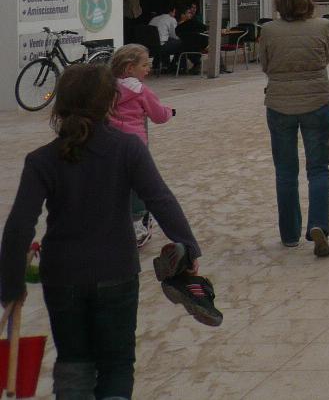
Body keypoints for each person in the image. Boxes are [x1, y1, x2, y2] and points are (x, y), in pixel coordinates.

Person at [1, 64, 212, 400]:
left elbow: (17, 228)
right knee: (116, 363)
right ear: (111, 102)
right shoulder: (128, 148)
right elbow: (161, 200)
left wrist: (10, 285)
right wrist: (188, 247)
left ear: (60, 104)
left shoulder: (42, 160)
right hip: (117, 271)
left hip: (63, 276)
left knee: (73, 363)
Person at [258, 0, 329, 257]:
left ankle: (289, 233)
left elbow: (265, 64)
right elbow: (326, 58)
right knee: (318, 168)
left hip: (279, 104)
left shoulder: (268, 30)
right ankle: (319, 224)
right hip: (316, 101)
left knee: (286, 171)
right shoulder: (323, 26)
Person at [108, 44, 175, 246]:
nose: (149, 68)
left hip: (110, 142)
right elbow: (158, 115)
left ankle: (115, 220)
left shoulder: (107, 87)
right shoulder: (141, 91)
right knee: (138, 183)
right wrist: (169, 111)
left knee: (116, 181)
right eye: (145, 65)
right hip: (136, 145)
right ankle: (138, 221)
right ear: (130, 68)